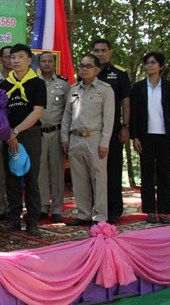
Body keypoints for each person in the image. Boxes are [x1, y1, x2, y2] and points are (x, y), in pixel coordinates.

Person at [0, 44, 46, 236]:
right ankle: (13, 218)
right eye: (13, 57)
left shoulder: (37, 83)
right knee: (11, 178)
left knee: (31, 178)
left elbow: (37, 111)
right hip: (8, 136)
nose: (15, 61)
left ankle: (33, 220)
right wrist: (8, 133)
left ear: (29, 61)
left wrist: (16, 131)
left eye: (20, 57)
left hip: (30, 134)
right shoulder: (4, 85)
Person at [62, 54, 114, 226]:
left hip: (95, 138)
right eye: (82, 66)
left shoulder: (105, 90)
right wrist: (64, 137)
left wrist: (105, 143)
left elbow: (109, 119)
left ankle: (100, 216)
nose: (84, 69)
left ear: (97, 70)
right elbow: (67, 116)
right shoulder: (74, 89)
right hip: (75, 139)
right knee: (79, 179)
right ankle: (83, 214)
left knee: (98, 180)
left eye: (88, 66)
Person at [130, 52, 170, 224]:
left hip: (164, 137)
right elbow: (134, 114)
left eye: (153, 63)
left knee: (163, 174)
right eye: (147, 63)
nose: (149, 66)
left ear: (160, 66)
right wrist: (135, 136)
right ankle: (150, 211)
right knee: (146, 175)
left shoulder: (168, 87)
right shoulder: (138, 87)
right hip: (145, 137)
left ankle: (165, 211)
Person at [93, 38, 131, 224]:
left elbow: (125, 101)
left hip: (114, 128)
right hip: (91, 129)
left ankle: (114, 210)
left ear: (110, 52)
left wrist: (126, 126)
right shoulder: (88, 71)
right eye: (96, 50)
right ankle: (96, 209)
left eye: (103, 50)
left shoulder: (119, 74)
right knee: (94, 170)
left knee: (113, 169)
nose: (99, 54)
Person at [38, 52, 70, 223]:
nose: (47, 63)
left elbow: (68, 111)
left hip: (57, 133)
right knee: (40, 172)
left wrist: (66, 135)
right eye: (43, 61)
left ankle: (57, 208)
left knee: (57, 172)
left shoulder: (64, 84)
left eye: (50, 61)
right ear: (38, 64)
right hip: (39, 133)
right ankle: (42, 207)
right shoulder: (33, 82)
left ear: (54, 63)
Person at [0, 45, 12, 222]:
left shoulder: (27, 80)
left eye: (14, 56)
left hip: (20, 132)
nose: (11, 60)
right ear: (0, 60)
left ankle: (15, 209)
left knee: (17, 172)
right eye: (7, 57)